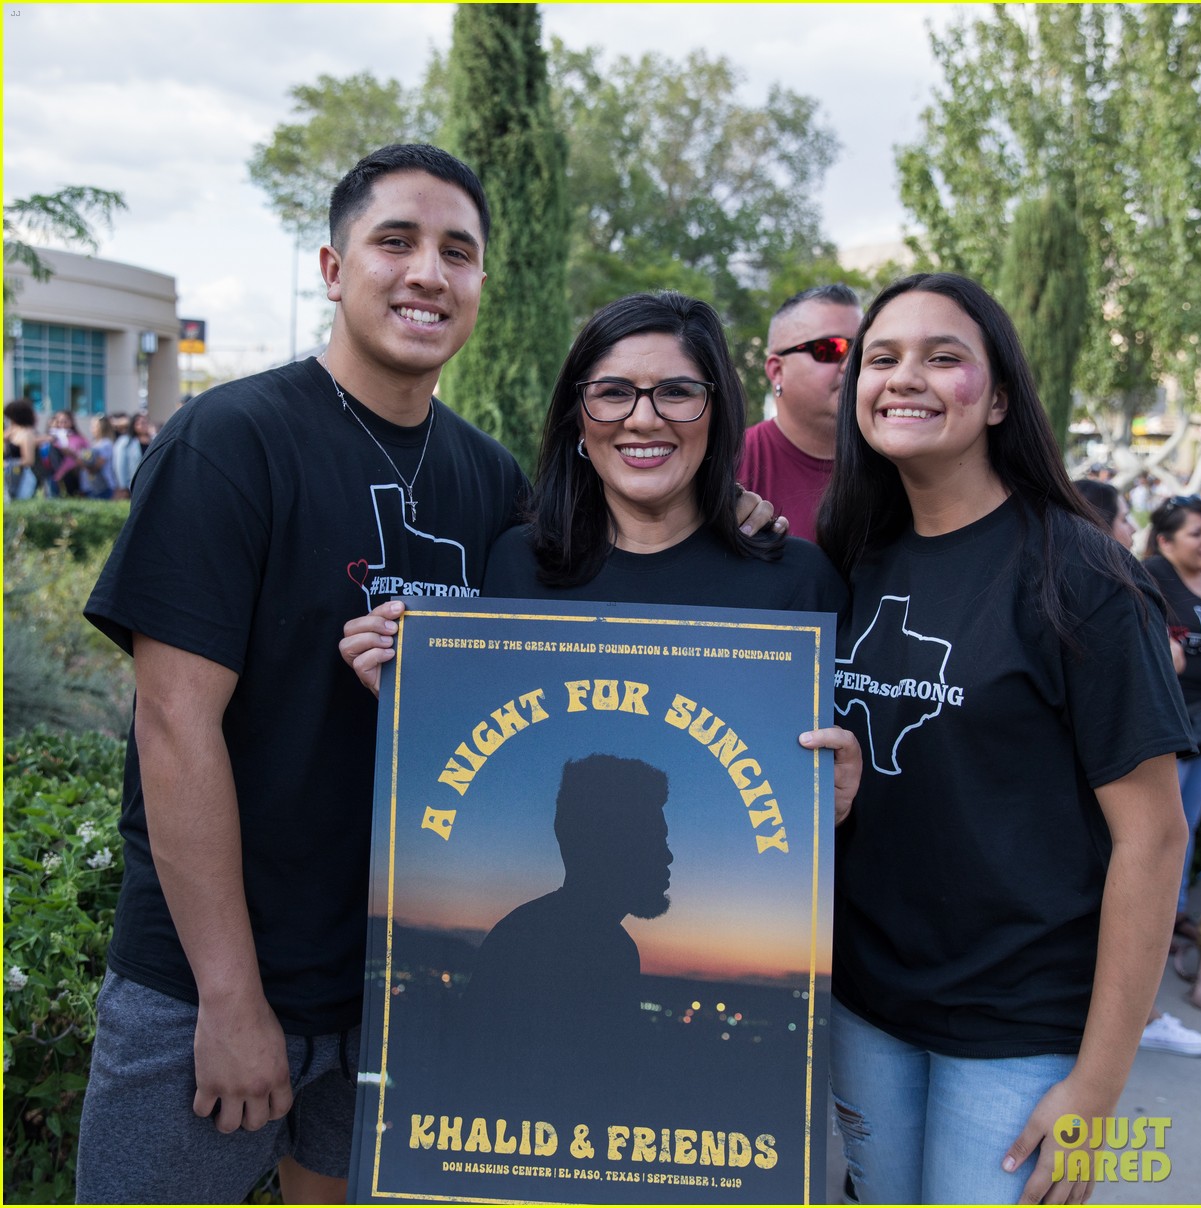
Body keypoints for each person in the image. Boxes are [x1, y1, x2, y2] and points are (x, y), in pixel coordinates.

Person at [75, 146, 778, 1206]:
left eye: (458, 251)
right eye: (394, 241)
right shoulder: (230, 440)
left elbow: (589, 649)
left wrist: (732, 520)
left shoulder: (489, 480)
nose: (427, 272)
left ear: (481, 284)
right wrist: (228, 995)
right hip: (210, 984)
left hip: (391, 988)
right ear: (330, 264)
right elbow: (174, 725)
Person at [817, 272, 1190, 1204]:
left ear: (1000, 401)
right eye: (884, 357)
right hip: (868, 1005)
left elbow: (1154, 839)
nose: (907, 377)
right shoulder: (847, 556)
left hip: (1021, 1026)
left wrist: (1097, 1086)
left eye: (945, 358)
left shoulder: (1084, 577)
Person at [343, 290, 862, 822]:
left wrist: (838, 804)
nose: (643, 419)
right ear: (579, 420)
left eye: (677, 392)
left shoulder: (800, 585)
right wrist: (417, 707)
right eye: (613, 392)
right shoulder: (517, 567)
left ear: (718, 412)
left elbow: (802, 817)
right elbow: (496, 782)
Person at [1074, 478, 1201, 1058]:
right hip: (1163, 743)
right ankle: (1140, 1012)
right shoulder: (1128, 587)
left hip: (1200, 737)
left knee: (1166, 857)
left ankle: (1137, 1008)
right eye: (1124, 521)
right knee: (1149, 858)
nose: (1129, 532)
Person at [455, 754, 673, 1112]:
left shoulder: (537, 931)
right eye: (653, 838)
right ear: (608, 843)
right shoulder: (588, 948)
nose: (667, 856)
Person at [1143, 495, 1201, 941]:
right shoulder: (1152, 577)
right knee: (1157, 829)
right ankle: (1149, 920)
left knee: (1186, 825)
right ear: (1167, 540)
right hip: (1169, 726)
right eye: (1198, 533)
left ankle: (1175, 914)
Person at [737, 284, 863, 542]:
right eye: (831, 349)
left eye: (861, 350)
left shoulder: (899, 461)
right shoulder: (730, 464)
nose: (851, 365)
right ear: (776, 371)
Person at [3, 399, 39, 500]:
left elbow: (28, 460)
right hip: (8, 475)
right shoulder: (10, 432)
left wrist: (7, 463)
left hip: (22, 477)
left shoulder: (27, 433)